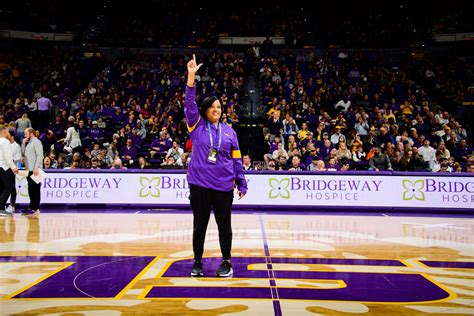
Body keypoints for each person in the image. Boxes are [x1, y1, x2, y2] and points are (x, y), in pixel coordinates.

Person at [185, 54, 247, 278]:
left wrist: (241, 181)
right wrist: (191, 78)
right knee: (199, 226)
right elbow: (189, 104)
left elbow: (237, 159)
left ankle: (226, 262)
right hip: (200, 185)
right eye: (212, 107)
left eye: (219, 106)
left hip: (223, 185)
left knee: (224, 226)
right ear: (204, 110)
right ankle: (198, 261)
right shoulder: (196, 125)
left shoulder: (230, 131)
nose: (217, 109)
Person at [21, 128, 44, 215]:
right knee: (31, 188)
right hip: (28, 169)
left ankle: (35, 207)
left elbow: (39, 155)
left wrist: (36, 167)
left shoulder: (37, 142)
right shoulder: (28, 143)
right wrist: (23, 144)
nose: (24, 135)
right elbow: (23, 154)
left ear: (31, 133)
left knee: (35, 189)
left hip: (35, 169)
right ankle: (31, 205)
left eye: (25, 133)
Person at [0, 127, 19, 216]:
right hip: (5, 168)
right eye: (8, 132)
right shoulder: (5, 142)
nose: (9, 133)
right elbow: (7, 156)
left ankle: (2, 208)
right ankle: (0, 208)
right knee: (9, 187)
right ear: (5, 132)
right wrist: (13, 167)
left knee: (1, 188)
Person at [6, 129, 21, 213]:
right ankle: (2, 204)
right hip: (3, 169)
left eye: (8, 134)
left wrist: (10, 163)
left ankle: (12, 205)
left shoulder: (16, 146)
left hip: (11, 169)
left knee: (12, 187)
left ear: (12, 136)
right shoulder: (5, 144)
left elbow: (17, 158)